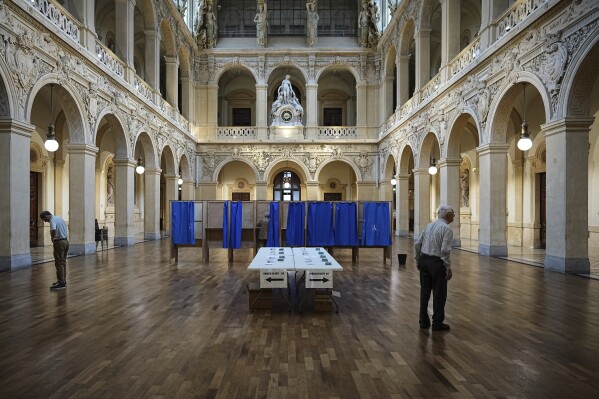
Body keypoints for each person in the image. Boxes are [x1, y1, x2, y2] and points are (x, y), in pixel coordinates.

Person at [414, 205, 455, 331]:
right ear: (448, 215)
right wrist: (448, 267)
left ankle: (423, 320)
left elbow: (417, 244)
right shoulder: (447, 229)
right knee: (439, 293)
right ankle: (437, 322)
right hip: (437, 263)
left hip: (424, 260)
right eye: (453, 213)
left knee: (425, 292)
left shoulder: (429, 225)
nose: (454, 215)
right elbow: (444, 250)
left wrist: (418, 259)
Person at [40, 210, 69, 290]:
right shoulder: (59, 218)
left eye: (44, 219)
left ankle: (61, 283)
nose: (45, 221)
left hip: (59, 242)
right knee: (63, 262)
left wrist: (53, 238)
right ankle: (62, 280)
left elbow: (53, 230)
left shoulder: (52, 220)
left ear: (46, 216)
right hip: (65, 241)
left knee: (59, 263)